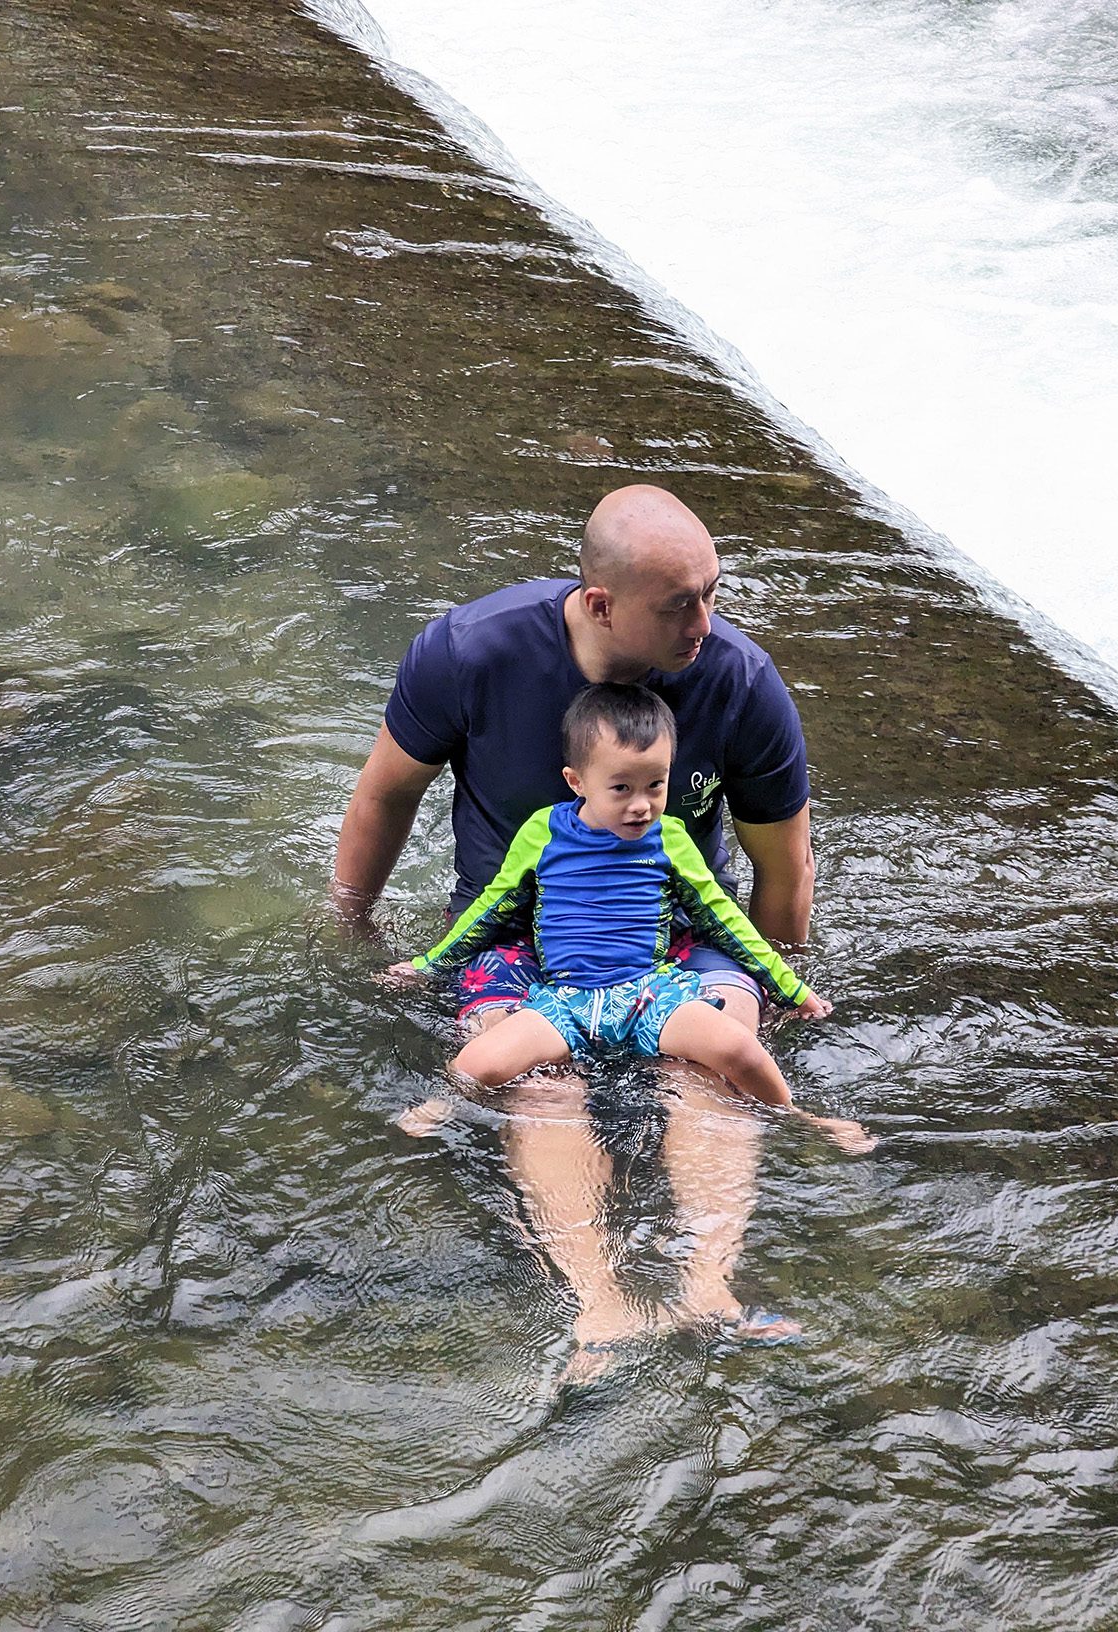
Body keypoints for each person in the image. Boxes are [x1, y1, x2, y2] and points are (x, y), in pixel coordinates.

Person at [335, 484, 850, 1365]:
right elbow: (384, 795)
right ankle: (599, 1306)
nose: (705, 622)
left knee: (714, 1062)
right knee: (539, 1082)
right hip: (510, 936)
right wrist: (351, 929)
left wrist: (778, 993)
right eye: (679, 605)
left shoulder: (738, 681)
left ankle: (706, 1290)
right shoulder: (470, 652)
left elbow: (780, 868)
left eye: (712, 592)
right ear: (602, 604)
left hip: (673, 930)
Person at [391, 683, 870, 1154]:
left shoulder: (669, 839)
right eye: (621, 788)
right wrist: (427, 965)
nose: (640, 804)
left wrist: (791, 989)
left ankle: (802, 1118)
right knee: (477, 1061)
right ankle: (446, 1101)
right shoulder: (544, 834)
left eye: (655, 785)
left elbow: (723, 920)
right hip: (565, 1001)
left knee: (741, 1050)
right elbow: (492, 910)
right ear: (577, 781)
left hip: (649, 994)